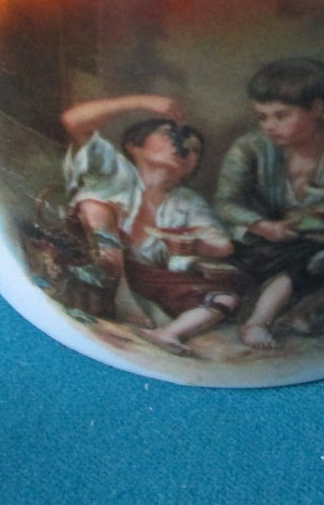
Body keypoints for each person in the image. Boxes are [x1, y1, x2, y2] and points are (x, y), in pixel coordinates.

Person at [216, 58, 324, 348]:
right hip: (265, 240)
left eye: (281, 116)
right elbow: (225, 202)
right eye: (262, 117)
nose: (269, 126)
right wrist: (262, 225)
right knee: (311, 254)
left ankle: (305, 311)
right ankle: (257, 322)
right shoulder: (250, 148)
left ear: (316, 108)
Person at [60, 94, 244, 357]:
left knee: (226, 298)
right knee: (94, 206)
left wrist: (191, 242)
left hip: (147, 276)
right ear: (135, 146)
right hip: (93, 255)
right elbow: (72, 120)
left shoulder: (187, 202)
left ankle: (168, 333)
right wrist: (144, 103)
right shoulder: (115, 169)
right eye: (170, 136)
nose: (184, 148)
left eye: (194, 148)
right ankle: (121, 295)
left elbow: (222, 246)